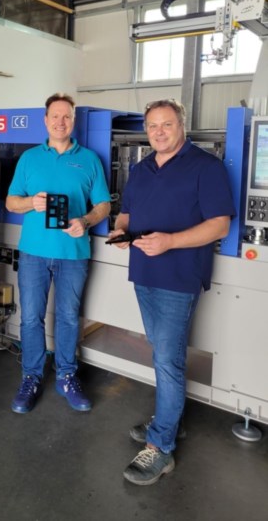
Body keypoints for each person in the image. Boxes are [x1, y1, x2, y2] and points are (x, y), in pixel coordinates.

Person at [108, 98, 235, 486]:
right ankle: (169, 421)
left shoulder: (206, 167)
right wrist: (121, 230)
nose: (158, 132)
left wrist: (171, 241)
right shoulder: (142, 168)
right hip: (143, 273)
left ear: (182, 125)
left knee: (167, 359)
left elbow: (219, 225)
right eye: (152, 126)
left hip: (178, 278)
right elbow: (127, 212)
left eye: (166, 124)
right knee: (163, 352)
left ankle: (160, 447)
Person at [6, 93, 111, 414]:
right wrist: (31, 203)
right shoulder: (29, 159)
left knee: (67, 316)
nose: (60, 122)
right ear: (46, 120)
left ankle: (66, 376)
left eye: (66, 116)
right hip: (33, 254)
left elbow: (104, 205)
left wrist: (86, 221)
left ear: (73, 121)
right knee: (30, 318)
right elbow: (11, 202)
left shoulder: (90, 159)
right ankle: (31, 376)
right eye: (55, 116)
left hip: (73, 253)